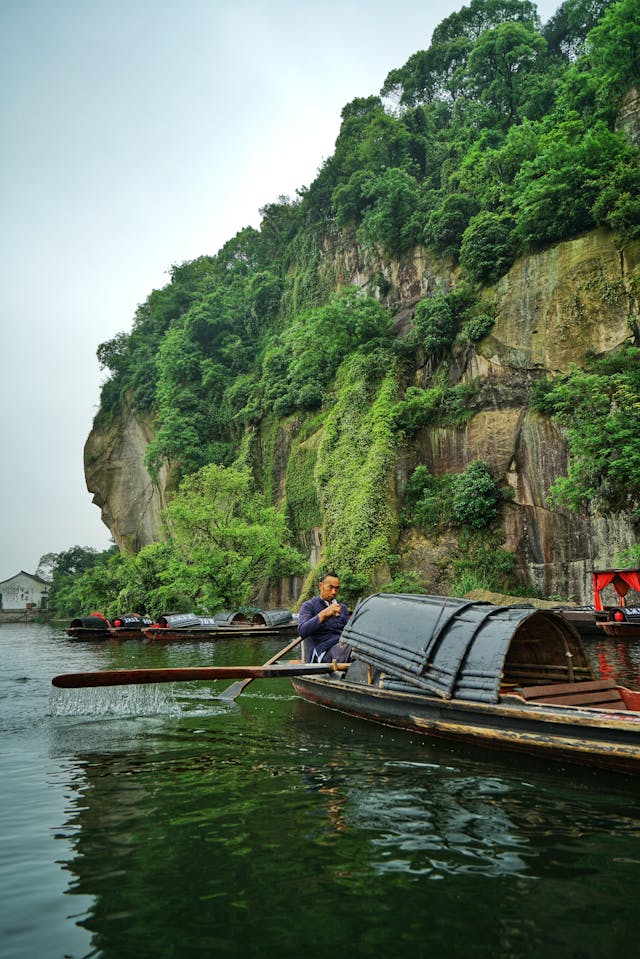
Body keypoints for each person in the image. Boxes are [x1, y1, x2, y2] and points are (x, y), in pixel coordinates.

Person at [298, 572, 352, 663]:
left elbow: (349, 633)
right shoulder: (309, 606)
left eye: (336, 588)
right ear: (320, 586)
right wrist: (324, 613)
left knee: (360, 649)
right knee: (347, 650)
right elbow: (302, 631)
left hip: (343, 645)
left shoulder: (342, 608)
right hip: (324, 651)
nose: (334, 592)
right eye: (330, 587)